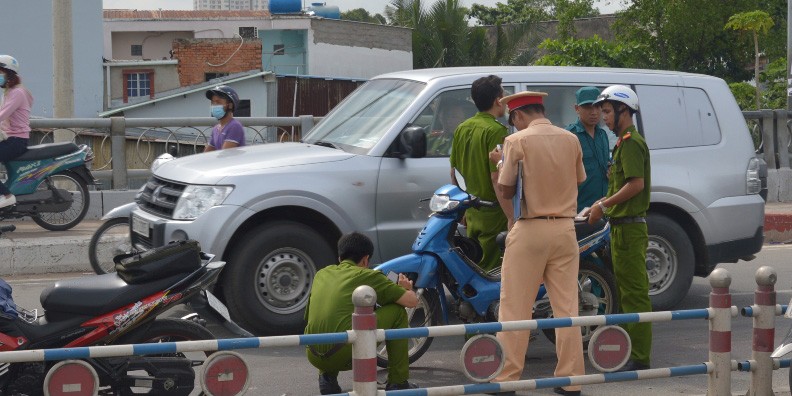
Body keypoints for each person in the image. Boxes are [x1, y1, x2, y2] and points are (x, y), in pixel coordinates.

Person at [489, 91, 586, 396]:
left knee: (515, 306)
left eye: (513, 121)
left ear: (517, 116)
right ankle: (571, 380)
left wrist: (501, 161)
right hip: (565, 229)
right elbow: (579, 179)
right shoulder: (570, 139)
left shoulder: (516, 142)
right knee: (567, 307)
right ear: (540, 110)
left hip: (530, 229)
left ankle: (507, 379)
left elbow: (505, 190)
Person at [586, 84, 652, 372]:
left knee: (635, 294)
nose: (604, 118)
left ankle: (640, 357)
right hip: (620, 227)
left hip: (630, 229)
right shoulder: (622, 143)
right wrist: (598, 204)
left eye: (608, 112)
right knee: (624, 294)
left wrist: (604, 205)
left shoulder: (632, 143)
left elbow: (635, 184)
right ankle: (630, 352)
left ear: (624, 111)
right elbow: (619, 186)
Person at [304, 232, 419, 394]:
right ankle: (398, 381)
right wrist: (406, 288)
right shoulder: (368, 275)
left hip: (314, 355)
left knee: (330, 319)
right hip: (344, 356)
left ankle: (326, 379)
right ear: (365, 259)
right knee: (398, 311)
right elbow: (411, 301)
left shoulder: (321, 274)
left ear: (340, 257)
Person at [449, 75, 512, 273]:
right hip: (494, 213)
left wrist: (463, 209)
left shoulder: (462, 128)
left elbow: (454, 173)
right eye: (504, 95)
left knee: (475, 267)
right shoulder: (496, 130)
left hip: (472, 210)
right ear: (497, 100)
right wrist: (511, 215)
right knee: (493, 272)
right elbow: (496, 178)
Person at [566, 86, 610, 213]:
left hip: (603, 206)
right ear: (577, 109)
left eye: (597, 107)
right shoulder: (569, 136)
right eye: (588, 107)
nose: (594, 112)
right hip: (579, 208)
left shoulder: (603, 134)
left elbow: (606, 163)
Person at [0, 55, 33, 209]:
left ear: (9, 73)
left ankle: (7, 195)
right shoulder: (11, 91)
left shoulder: (17, 93)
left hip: (16, 141)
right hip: (12, 138)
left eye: (0, 72)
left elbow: (2, 115)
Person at [204, 85, 245, 152]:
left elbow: (225, 155)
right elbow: (207, 154)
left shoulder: (234, 126)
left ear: (230, 105)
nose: (214, 105)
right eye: (212, 102)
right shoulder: (216, 129)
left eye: (218, 102)